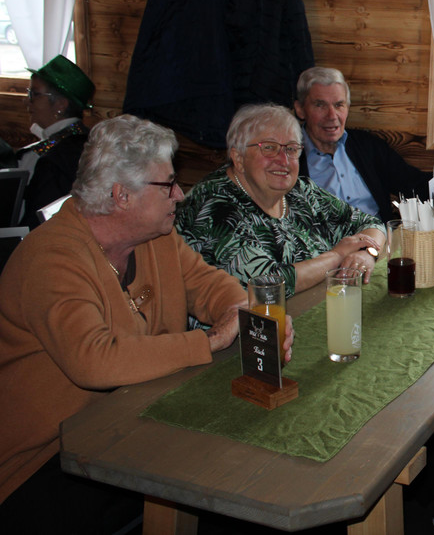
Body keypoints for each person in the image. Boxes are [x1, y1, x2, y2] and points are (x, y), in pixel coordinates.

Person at [0, 115, 290, 531]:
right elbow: (95, 361)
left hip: (131, 424)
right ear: (122, 195)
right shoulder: (51, 258)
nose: (180, 194)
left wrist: (250, 316)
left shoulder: (157, 238)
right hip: (45, 462)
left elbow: (209, 285)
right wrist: (209, 341)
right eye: (168, 184)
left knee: (243, 468)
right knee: (221, 490)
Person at [176, 104, 386, 296]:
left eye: (291, 149)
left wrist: (365, 253)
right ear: (238, 158)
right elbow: (265, 283)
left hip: (314, 305)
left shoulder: (300, 191)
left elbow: (369, 223)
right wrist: (337, 256)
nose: (283, 160)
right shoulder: (213, 206)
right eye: (269, 148)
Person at [293, 67, 434, 221]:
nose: (332, 116)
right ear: (300, 109)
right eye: (320, 105)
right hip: (325, 246)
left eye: (339, 105)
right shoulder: (289, 157)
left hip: (379, 241)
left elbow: (412, 182)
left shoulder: (366, 147)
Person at [15, 54, 96, 227]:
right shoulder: (95, 143)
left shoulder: (41, 158)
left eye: (34, 94)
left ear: (60, 105)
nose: (26, 101)